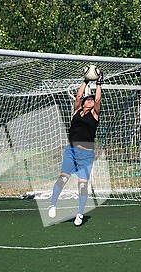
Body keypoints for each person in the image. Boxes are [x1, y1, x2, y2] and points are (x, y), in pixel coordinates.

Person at [48, 67, 103, 226]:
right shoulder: (77, 111)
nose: (90, 101)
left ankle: (79, 214)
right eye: (88, 99)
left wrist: (99, 84)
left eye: (92, 100)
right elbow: (79, 96)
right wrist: (86, 81)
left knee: (82, 184)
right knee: (63, 178)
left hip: (86, 154)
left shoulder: (94, 114)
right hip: (71, 151)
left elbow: (98, 101)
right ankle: (52, 205)